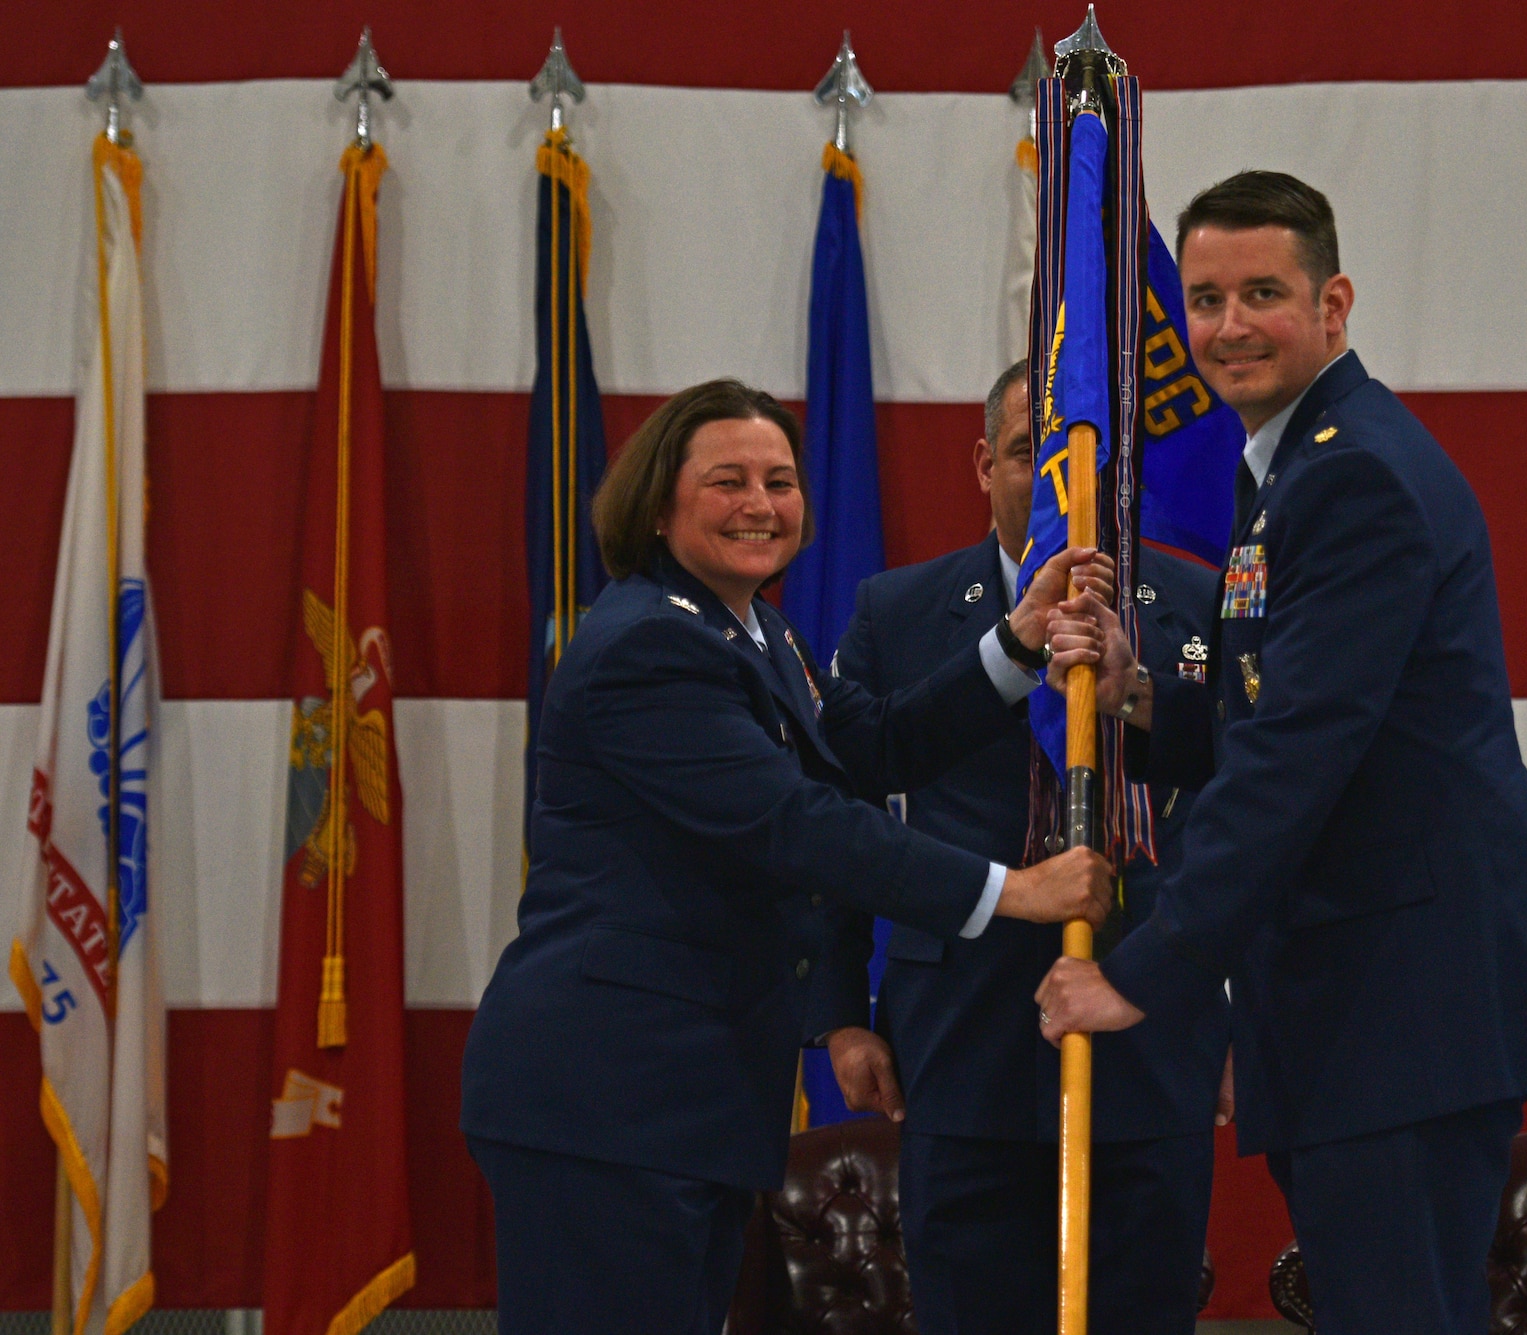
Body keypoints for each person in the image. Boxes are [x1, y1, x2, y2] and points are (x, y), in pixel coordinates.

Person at [1034, 173, 1527, 1334]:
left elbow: (1296, 763)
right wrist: (1140, 697)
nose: (1223, 326)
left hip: (1400, 998)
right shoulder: (1301, 459)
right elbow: (1278, 708)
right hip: (1372, 996)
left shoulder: (1349, 473)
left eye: (1261, 292)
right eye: (1204, 298)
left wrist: (1141, 970)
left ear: (1333, 303)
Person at [460, 379, 1117, 1335]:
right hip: (610, 1100)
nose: (761, 504)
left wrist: (1015, 645)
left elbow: (874, 746)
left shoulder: (756, 630)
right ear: (657, 501)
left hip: (687, 1100)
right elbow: (799, 822)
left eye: (779, 479)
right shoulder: (651, 646)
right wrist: (1012, 890)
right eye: (728, 480)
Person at [808, 360, 1229, 1335]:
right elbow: (839, 818)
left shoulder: (1199, 616)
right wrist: (838, 1016)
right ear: (980, 466)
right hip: (956, 1049)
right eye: (1029, 459)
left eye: (1088, 464)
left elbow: (1234, 791)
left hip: (1151, 1041)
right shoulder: (893, 613)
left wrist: (1233, 1014)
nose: (1061, 488)